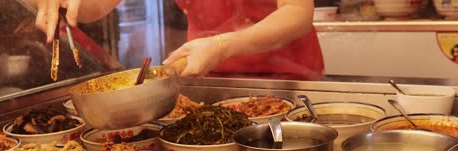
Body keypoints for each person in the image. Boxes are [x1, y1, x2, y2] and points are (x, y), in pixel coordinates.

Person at [33, 0, 324, 80]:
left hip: (289, 82)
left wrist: (223, 46)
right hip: (207, 81)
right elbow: (96, 7)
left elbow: (297, 14)